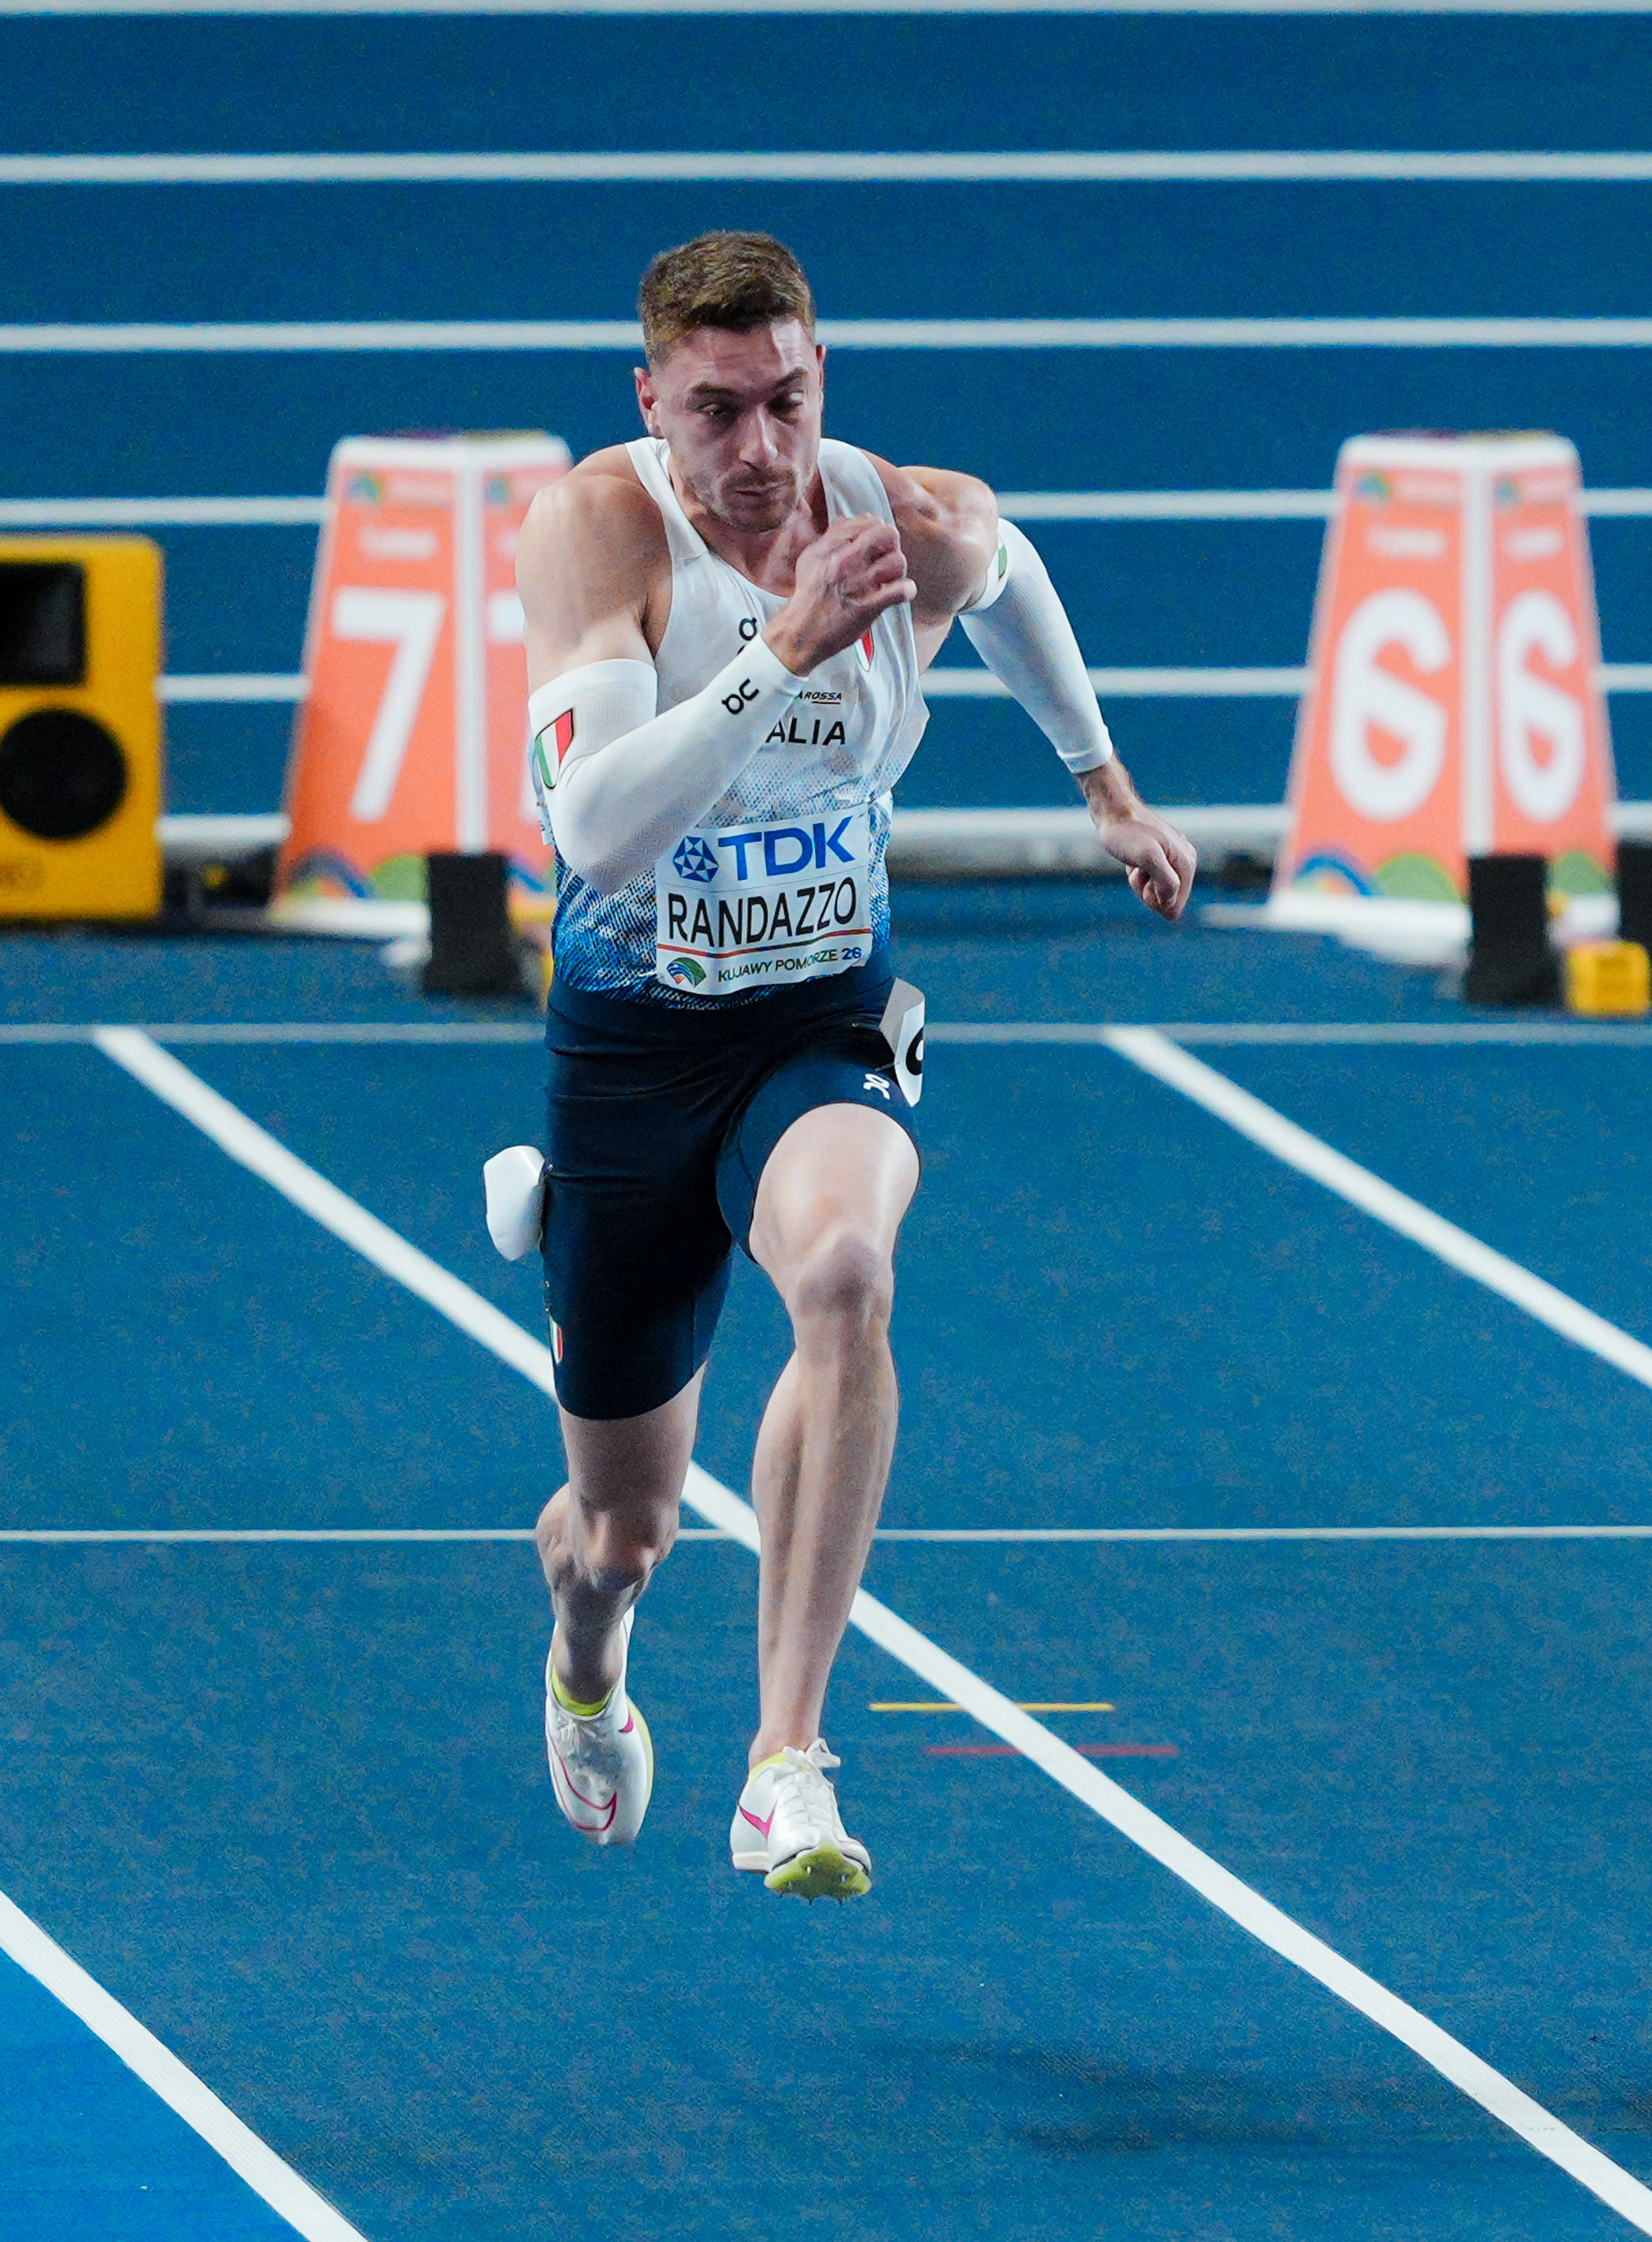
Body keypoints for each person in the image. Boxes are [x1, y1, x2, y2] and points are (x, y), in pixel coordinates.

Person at [508, 230, 1195, 1899]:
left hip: (819, 1018)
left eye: (788, 403)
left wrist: (1103, 786)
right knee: (621, 1534)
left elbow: (1013, 578)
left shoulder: (912, 523)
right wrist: (783, 652)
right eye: (716, 411)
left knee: (845, 1274)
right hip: (634, 1052)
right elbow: (592, 831)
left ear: (823, 379)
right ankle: (585, 1658)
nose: (759, 451)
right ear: (650, 401)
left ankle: (784, 1759)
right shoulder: (600, 528)